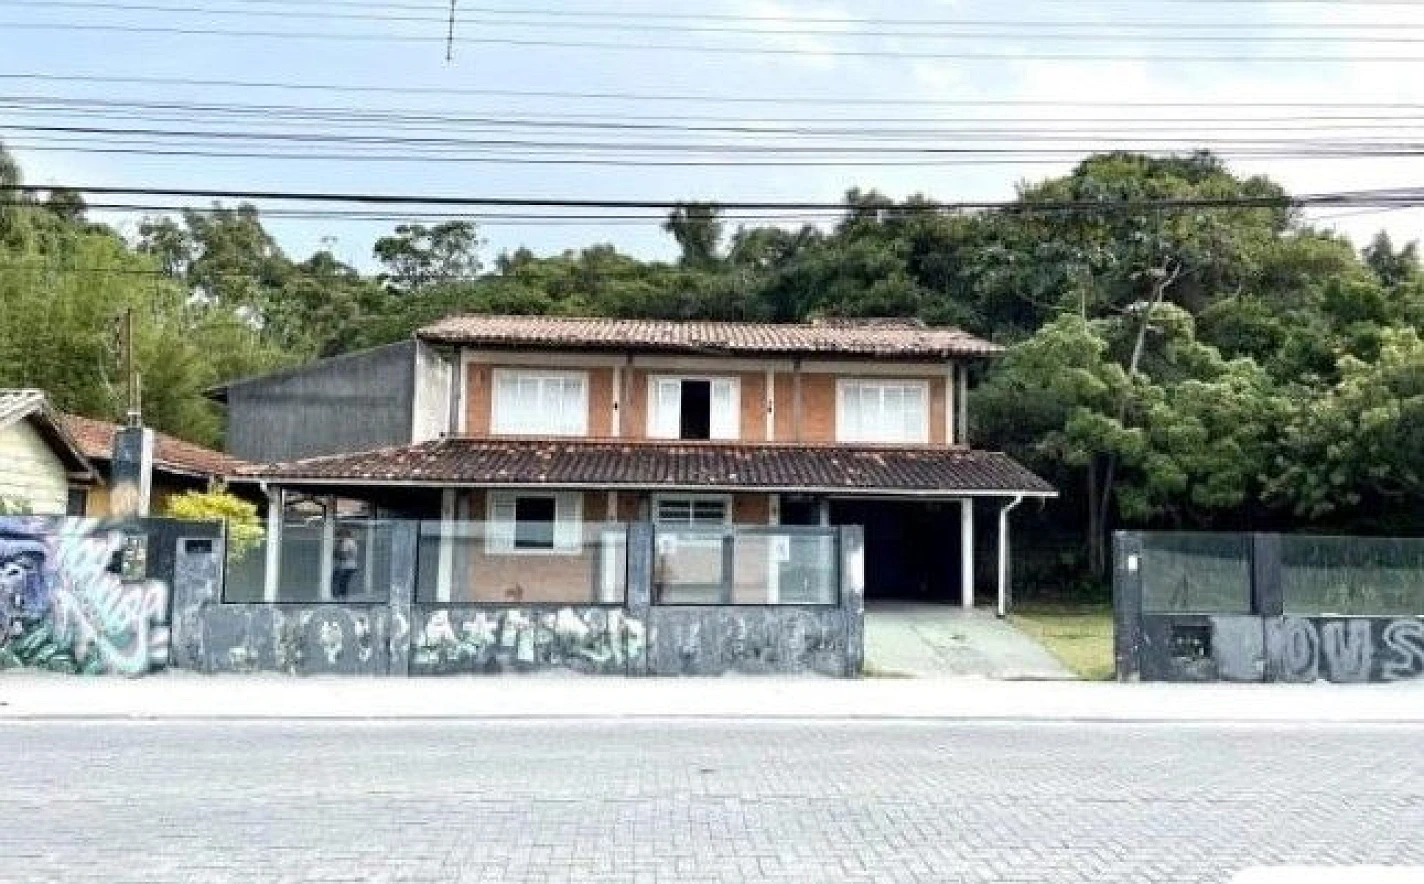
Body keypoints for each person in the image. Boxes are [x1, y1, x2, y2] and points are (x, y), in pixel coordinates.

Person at [332, 528, 359, 599]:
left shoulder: (346, 542)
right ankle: (343, 597)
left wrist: (336, 553)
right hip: (351, 566)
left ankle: (339, 598)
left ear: (344, 535)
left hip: (345, 566)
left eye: (339, 536)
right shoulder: (352, 542)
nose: (338, 538)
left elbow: (343, 555)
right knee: (344, 582)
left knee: (339, 582)